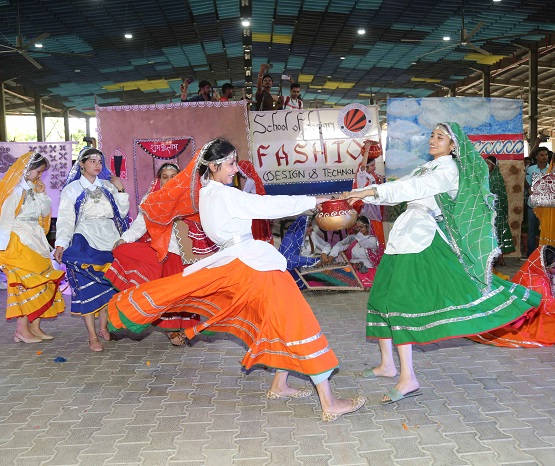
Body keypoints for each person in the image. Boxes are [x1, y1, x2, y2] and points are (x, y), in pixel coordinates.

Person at [108, 138, 366, 422]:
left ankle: (280, 383)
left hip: (242, 262)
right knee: (298, 321)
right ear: (214, 165)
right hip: (255, 266)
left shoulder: (203, 194)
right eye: (230, 164)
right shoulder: (225, 195)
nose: (235, 170)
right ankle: (329, 402)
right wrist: (315, 201)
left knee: (278, 319)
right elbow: (266, 206)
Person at [342, 122, 540, 403]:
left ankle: (408, 377)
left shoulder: (448, 170)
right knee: (380, 295)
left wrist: (370, 193)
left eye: (440, 137)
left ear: (453, 146)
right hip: (404, 233)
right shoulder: (427, 167)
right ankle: (387, 364)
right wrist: (364, 191)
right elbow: (400, 186)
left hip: (421, 236)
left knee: (400, 301)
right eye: (432, 135)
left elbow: (413, 188)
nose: (433, 140)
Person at [0, 152, 65, 343]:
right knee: (26, 286)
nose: (40, 176)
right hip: (18, 241)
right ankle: (22, 330)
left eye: (42, 173)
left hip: (35, 239)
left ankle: (35, 328)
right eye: (38, 172)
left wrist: (41, 193)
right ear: (27, 169)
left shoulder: (33, 190)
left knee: (44, 283)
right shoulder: (14, 191)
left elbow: (45, 212)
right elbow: (5, 220)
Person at [105, 162, 200, 346]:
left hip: (186, 255)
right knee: (165, 294)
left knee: (182, 294)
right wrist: (125, 239)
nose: (169, 180)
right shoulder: (152, 200)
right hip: (162, 254)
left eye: (174, 176)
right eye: (165, 177)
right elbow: (140, 225)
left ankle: (182, 329)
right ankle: (172, 331)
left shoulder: (191, 199)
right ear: (159, 179)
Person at [54, 148, 130, 352]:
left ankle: (104, 327)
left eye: (99, 161)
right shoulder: (72, 189)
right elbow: (66, 219)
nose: (97, 165)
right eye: (92, 161)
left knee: (107, 286)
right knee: (87, 288)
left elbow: (122, 213)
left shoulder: (108, 186)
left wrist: (121, 189)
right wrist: (61, 243)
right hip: (85, 239)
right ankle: (92, 336)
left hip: (110, 238)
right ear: (81, 164)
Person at [323, 216, 380, 290]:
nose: (359, 229)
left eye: (361, 227)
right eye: (357, 227)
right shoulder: (353, 238)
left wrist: (358, 234)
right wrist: (331, 256)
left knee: (360, 279)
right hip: (352, 267)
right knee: (332, 274)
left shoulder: (373, 240)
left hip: (367, 268)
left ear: (368, 227)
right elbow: (340, 245)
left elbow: (365, 243)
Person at [278, 215, 332, 289]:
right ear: (302, 227)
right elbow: (289, 259)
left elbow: (327, 245)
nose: (312, 228)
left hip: (312, 268)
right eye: (308, 226)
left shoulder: (312, 236)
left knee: (332, 276)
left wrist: (324, 253)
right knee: (323, 282)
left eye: (311, 226)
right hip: (299, 271)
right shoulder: (290, 240)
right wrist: (313, 261)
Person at [352, 140, 385, 248]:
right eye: (372, 166)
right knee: (369, 236)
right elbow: (362, 166)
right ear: (366, 167)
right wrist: (367, 150)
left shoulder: (373, 176)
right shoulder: (362, 176)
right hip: (367, 210)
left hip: (375, 210)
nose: (374, 168)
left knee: (378, 237)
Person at [485, 156, 515, 255]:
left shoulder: (495, 178)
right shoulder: (489, 176)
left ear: (494, 166)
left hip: (496, 210)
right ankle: (497, 257)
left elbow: (500, 197)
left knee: (496, 233)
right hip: (492, 209)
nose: (486, 166)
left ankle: (497, 257)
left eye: (488, 164)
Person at [237, 160, 273, 243]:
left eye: (241, 170)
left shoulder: (250, 181)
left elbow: (243, 194)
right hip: (258, 205)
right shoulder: (255, 178)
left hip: (253, 206)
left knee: (255, 226)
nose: (241, 173)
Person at [525, 147, 550, 256]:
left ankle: (545, 253)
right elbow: (527, 183)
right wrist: (529, 190)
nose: (544, 157)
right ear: (536, 157)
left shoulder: (552, 169)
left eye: (546, 155)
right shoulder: (531, 169)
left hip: (547, 205)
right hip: (533, 204)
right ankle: (531, 253)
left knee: (546, 230)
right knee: (531, 230)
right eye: (541, 155)